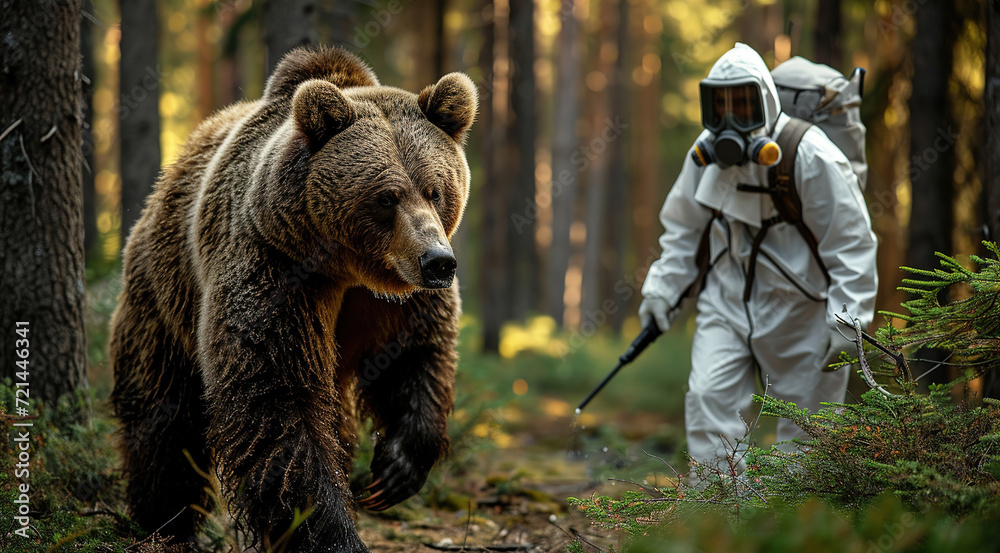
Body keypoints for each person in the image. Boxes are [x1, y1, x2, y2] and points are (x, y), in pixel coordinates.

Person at [638, 43, 878, 473]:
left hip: (803, 315)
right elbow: (682, 230)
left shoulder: (810, 154)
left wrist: (848, 319)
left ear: (765, 102)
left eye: (744, 105)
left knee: (809, 433)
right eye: (720, 106)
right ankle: (715, 522)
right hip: (725, 304)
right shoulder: (705, 156)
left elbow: (851, 242)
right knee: (709, 402)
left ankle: (797, 528)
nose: (730, 120)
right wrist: (660, 291)